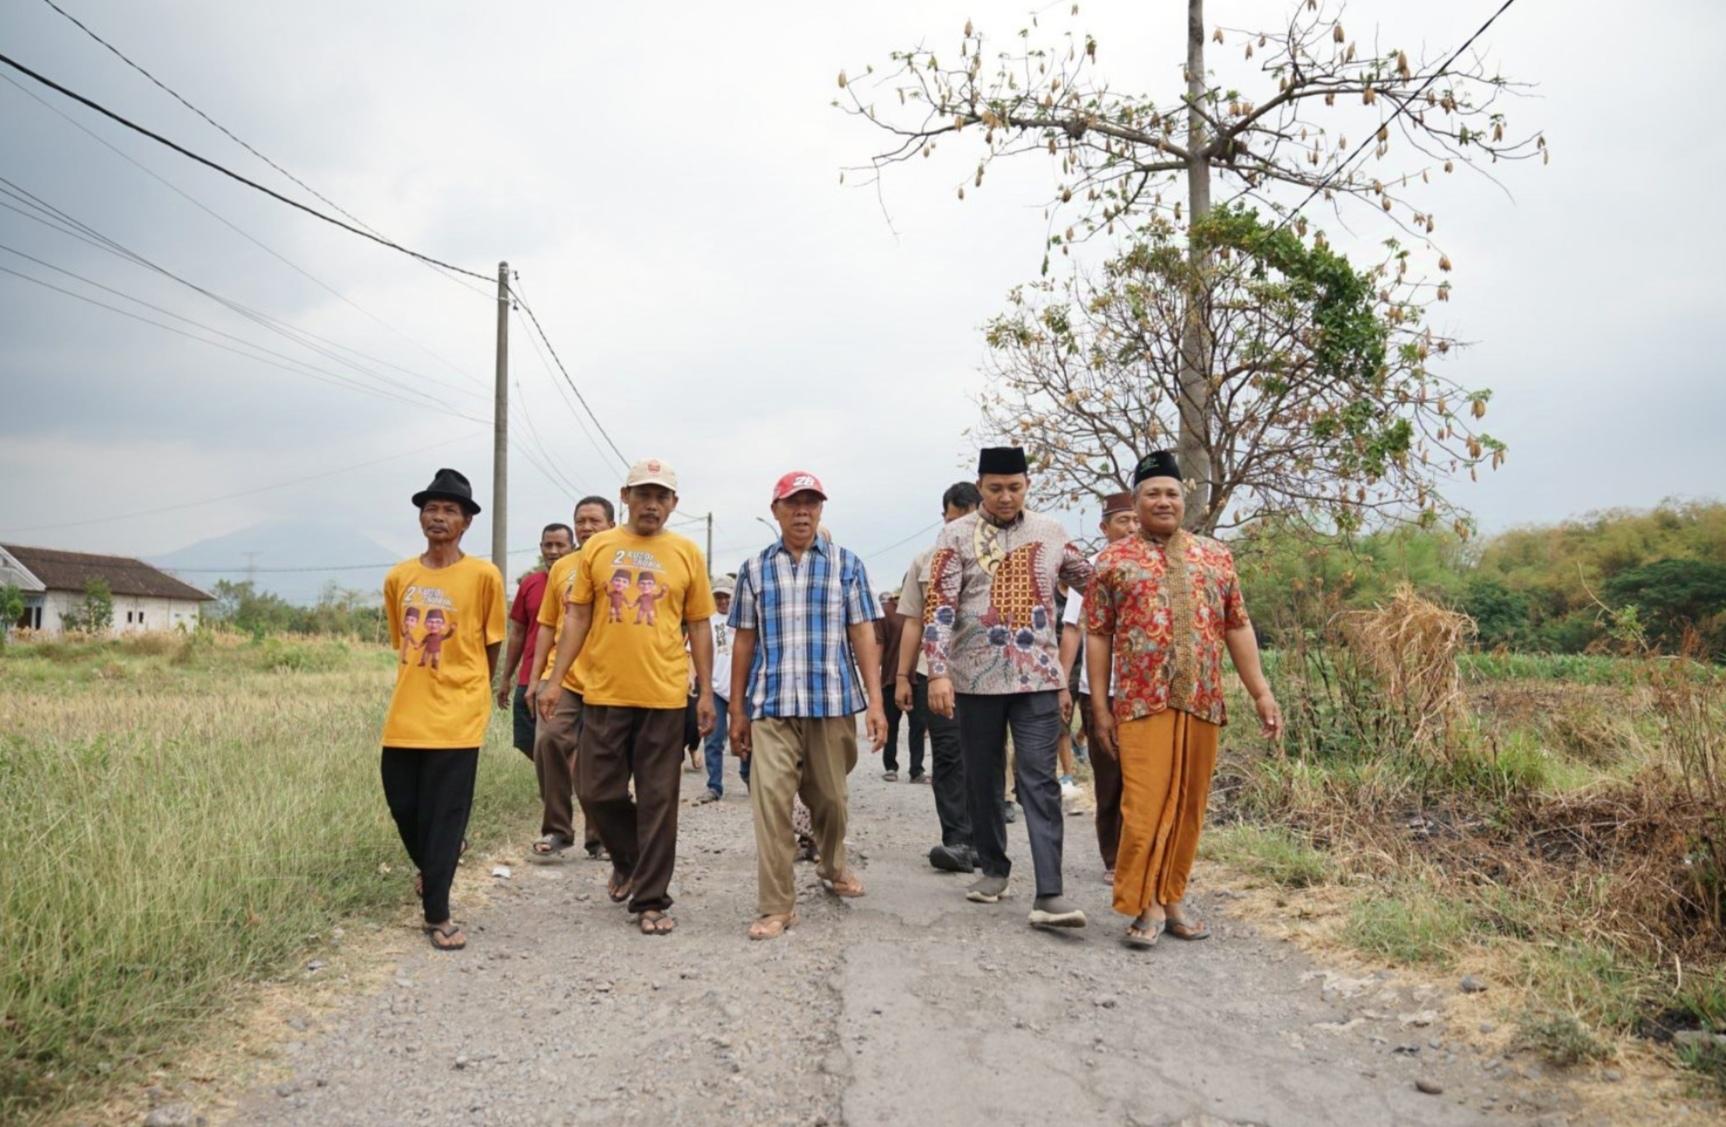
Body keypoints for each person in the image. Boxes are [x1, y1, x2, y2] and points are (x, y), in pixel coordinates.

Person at [1086, 452, 1282, 948]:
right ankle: (1145, 905)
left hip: (1201, 701)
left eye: (1171, 492)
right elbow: (1098, 634)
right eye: (1152, 493)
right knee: (1144, 807)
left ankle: (1172, 898)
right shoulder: (1112, 561)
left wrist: (1261, 692)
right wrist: (1100, 707)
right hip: (1140, 703)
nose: (1163, 501)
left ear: (1184, 500)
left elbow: (1236, 624)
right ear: (1136, 501)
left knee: (1189, 808)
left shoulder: (1215, 556)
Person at [540, 459, 716, 936]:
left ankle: (651, 899)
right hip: (603, 691)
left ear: (674, 504)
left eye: (662, 496)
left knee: (660, 799)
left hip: (663, 694)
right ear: (625, 497)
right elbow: (575, 616)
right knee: (596, 789)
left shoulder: (685, 553)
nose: (652, 504)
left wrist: (703, 690)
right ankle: (630, 858)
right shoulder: (598, 547)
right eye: (643, 494)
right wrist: (554, 680)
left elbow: (699, 623)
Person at [923, 447, 1093, 929]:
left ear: (1026, 486)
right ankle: (994, 869)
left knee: (1038, 780)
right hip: (975, 679)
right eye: (995, 488)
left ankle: (1050, 893)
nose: (1005, 496)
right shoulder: (954, 536)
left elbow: (1092, 581)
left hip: (1037, 676)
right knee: (983, 776)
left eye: (1014, 487)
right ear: (980, 486)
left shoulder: (1051, 533)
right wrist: (937, 672)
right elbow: (939, 607)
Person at [729, 471, 886, 940]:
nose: (803, 512)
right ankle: (776, 905)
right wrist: (736, 709)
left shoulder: (847, 564)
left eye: (811, 503)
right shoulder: (754, 569)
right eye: (793, 504)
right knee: (771, 804)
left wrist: (875, 702)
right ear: (776, 511)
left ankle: (832, 864)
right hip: (771, 706)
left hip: (832, 702)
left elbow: (863, 633)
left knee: (831, 801)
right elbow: (743, 640)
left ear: (821, 510)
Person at [379, 468, 505, 951]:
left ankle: (438, 914)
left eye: (450, 510)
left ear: (466, 522)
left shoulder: (483, 576)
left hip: (459, 710)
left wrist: (478, 689)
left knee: (446, 811)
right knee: (403, 802)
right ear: (420, 517)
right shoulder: (399, 577)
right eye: (431, 508)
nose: (438, 516)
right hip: (407, 711)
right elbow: (402, 642)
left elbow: (492, 642)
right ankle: (440, 859)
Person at [894, 481, 980, 873]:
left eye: (964, 519)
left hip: (987, 676)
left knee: (984, 757)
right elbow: (913, 620)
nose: (956, 527)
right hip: (936, 673)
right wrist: (903, 676)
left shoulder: (1000, 559)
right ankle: (957, 840)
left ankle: (985, 839)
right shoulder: (926, 561)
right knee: (947, 755)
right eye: (950, 520)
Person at [525, 497, 615, 862]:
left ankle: (602, 836)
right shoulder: (564, 567)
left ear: (611, 523)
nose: (587, 527)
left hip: (608, 678)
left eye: (595, 520)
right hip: (562, 677)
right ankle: (558, 829)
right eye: (581, 520)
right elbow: (547, 625)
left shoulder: (619, 562)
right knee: (548, 742)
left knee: (602, 760)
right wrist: (536, 680)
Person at [1058, 491, 1136, 883]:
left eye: (1136, 520)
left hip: (1146, 691)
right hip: (1099, 689)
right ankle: (1113, 857)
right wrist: (1062, 682)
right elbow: (1073, 629)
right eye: (1123, 520)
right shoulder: (1088, 571)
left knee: (1143, 777)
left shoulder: (1156, 566)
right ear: (1105, 528)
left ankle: (1140, 855)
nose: (1132, 528)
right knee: (1110, 777)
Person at [496, 523, 575, 760]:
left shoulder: (581, 580)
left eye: (559, 545)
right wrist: (506, 678)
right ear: (540, 547)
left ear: (572, 547)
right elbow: (518, 633)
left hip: (565, 678)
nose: (553, 550)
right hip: (529, 675)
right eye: (548, 545)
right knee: (526, 740)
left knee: (559, 739)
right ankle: (554, 781)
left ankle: (563, 785)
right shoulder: (530, 584)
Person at [697, 575, 737, 803]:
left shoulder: (744, 618)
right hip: (716, 688)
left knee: (745, 739)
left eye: (727, 597)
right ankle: (714, 785)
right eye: (718, 597)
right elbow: (694, 653)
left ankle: (749, 777)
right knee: (713, 738)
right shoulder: (707, 622)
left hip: (743, 688)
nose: (723, 601)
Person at [876, 591, 915, 781]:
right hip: (891, 677)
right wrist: (874, 680)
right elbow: (879, 644)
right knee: (891, 725)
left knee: (918, 725)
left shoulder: (920, 611)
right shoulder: (886, 612)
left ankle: (917, 769)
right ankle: (890, 766)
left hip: (918, 677)